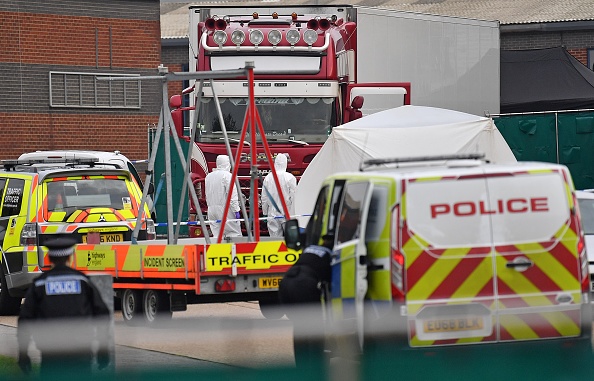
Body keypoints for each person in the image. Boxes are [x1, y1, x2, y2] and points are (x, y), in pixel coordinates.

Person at [17, 236, 111, 376]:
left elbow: (25, 320)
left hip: (51, 355)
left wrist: (23, 355)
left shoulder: (39, 285)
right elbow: (102, 314)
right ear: (70, 258)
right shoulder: (83, 282)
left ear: (48, 258)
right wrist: (103, 351)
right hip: (81, 354)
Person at [279, 234, 333, 368]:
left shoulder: (310, 249)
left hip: (285, 284)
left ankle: (302, 367)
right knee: (315, 329)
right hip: (303, 285)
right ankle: (317, 368)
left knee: (300, 326)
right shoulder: (331, 255)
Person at [205, 155, 242, 238]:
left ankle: (218, 250)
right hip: (225, 210)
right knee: (233, 234)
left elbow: (207, 194)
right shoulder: (227, 176)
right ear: (228, 164)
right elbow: (232, 195)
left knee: (217, 236)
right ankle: (232, 251)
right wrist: (236, 210)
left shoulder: (209, 176)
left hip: (211, 210)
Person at [261, 154, 297, 237]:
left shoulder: (268, 177)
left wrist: (265, 212)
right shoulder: (290, 177)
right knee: (290, 239)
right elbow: (294, 197)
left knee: (274, 240)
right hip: (287, 213)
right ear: (285, 163)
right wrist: (294, 213)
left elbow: (264, 198)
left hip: (272, 213)